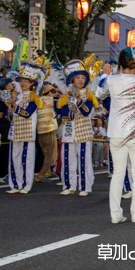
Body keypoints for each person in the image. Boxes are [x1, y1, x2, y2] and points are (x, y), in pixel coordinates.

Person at [95, 49, 135, 222]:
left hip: (116, 131)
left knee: (118, 173)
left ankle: (116, 215)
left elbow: (99, 94)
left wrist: (105, 74)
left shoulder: (110, 80)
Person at [57, 60, 97, 196]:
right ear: (72, 79)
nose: (80, 80)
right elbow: (63, 115)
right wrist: (71, 112)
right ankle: (69, 185)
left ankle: (85, 187)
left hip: (84, 132)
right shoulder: (65, 97)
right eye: (77, 77)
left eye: (83, 77)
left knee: (84, 160)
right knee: (68, 159)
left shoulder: (89, 95)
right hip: (69, 131)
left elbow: (86, 112)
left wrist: (79, 101)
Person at [5, 62, 43, 194]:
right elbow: (10, 115)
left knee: (27, 159)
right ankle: (15, 184)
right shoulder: (17, 96)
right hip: (15, 131)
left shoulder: (34, 97)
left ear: (32, 83)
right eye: (22, 81)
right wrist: (9, 110)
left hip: (27, 132)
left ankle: (27, 185)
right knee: (14, 158)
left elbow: (27, 114)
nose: (23, 84)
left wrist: (14, 105)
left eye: (27, 81)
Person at [34, 83, 60, 182]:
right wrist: (61, 92)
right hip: (49, 129)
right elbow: (64, 100)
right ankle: (40, 176)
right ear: (49, 93)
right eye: (54, 92)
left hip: (39, 131)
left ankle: (47, 172)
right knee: (52, 156)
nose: (55, 94)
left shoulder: (38, 100)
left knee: (46, 154)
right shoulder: (51, 100)